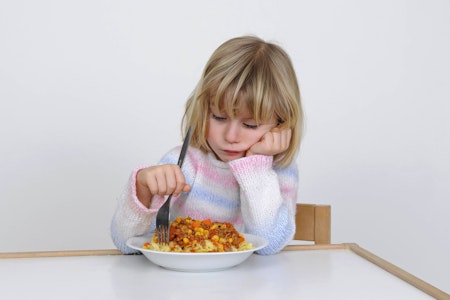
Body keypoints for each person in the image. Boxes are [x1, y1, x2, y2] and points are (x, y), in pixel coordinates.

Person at [111, 35, 303, 255]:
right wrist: (143, 188)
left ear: (281, 124)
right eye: (219, 118)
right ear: (203, 110)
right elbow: (126, 243)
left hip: (248, 285)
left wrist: (256, 167)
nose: (231, 136)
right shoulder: (184, 163)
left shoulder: (279, 170)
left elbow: (270, 243)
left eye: (250, 125)